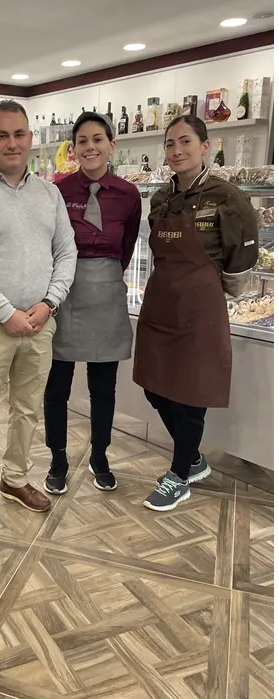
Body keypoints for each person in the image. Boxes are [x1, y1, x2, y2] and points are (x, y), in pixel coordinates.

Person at [0, 100, 77, 523]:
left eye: (19, 134)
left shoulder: (50, 194)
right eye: (2, 135)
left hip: (41, 323)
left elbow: (67, 253)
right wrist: (7, 312)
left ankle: (16, 477)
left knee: (27, 407)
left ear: (30, 139)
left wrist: (49, 303)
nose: (12, 143)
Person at [134, 114, 258, 511]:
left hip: (201, 306)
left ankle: (179, 476)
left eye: (185, 142)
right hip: (160, 302)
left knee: (190, 393)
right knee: (154, 386)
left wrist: (212, 291)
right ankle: (192, 458)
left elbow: (241, 258)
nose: (177, 150)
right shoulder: (161, 198)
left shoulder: (227, 197)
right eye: (170, 144)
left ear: (205, 146)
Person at [44, 112, 141, 495]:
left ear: (111, 146)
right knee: (57, 387)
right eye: (82, 141)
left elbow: (126, 247)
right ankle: (57, 460)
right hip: (65, 293)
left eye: (97, 139)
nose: (90, 147)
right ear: (73, 149)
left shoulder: (128, 195)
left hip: (107, 296)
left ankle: (100, 456)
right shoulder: (57, 191)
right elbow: (51, 245)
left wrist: (106, 276)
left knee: (104, 388)